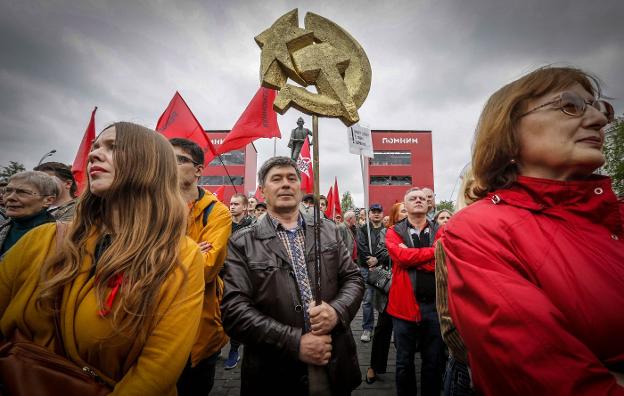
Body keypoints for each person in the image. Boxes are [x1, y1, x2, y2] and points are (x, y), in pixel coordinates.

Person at [438, 66, 623, 395]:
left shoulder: (615, 215)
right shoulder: (479, 228)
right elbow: (546, 374)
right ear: (507, 134)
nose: (599, 120)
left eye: (599, 108)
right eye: (570, 105)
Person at [0, 122, 205, 394]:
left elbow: (157, 370)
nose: (94, 154)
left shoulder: (180, 256)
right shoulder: (41, 239)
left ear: (150, 165)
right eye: (95, 147)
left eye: (113, 148)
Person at [221, 156, 364, 395]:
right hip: (273, 369)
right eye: (276, 179)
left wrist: (337, 311)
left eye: (292, 178)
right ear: (263, 191)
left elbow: (354, 278)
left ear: (300, 186)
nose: (286, 184)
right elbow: (234, 311)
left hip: (332, 359)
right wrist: (294, 341)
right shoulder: (242, 242)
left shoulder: (327, 230)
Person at [170, 138, 232, 396]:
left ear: (198, 169)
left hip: (200, 329)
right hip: (149, 327)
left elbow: (205, 270)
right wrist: (191, 250)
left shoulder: (217, 213)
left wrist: (162, 256)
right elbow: (135, 264)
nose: (171, 165)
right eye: (167, 158)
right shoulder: (148, 205)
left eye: (180, 159)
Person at [385, 188, 446, 396]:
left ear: (429, 204)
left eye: (422, 198)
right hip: (403, 308)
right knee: (403, 362)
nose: (419, 200)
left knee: (434, 361)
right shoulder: (394, 231)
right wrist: (431, 253)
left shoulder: (441, 230)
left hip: (436, 307)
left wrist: (412, 258)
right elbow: (401, 258)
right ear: (406, 204)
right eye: (413, 198)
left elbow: (443, 260)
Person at [366, 202, 408, 384]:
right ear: (395, 215)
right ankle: (374, 367)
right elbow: (381, 252)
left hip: (413, 289)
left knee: (407, 332)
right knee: (383, 328)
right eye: (403, 210)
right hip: (392, 288)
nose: (407, 212)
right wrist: (402, 251)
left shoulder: (421, 230)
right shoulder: (387, 232)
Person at [0, 171, 57, 256]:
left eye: (22, 192)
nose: (10, 197)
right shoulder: (3, 228)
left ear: (48, 200)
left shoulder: (58, 236)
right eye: (8, 191)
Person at [356, 203, 389, 343]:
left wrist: (378, 259)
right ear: (369, 214)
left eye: (379, 211)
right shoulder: (363, 229)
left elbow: (388, 247)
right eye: (373, 211)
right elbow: (361, 246)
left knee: (386, 299)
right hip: (366, 268)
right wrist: (369, 260)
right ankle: (367, 328)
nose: (376, 214)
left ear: (382, 214)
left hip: (383, 267)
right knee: (368, 299)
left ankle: (387, 328)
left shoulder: (387, 231)